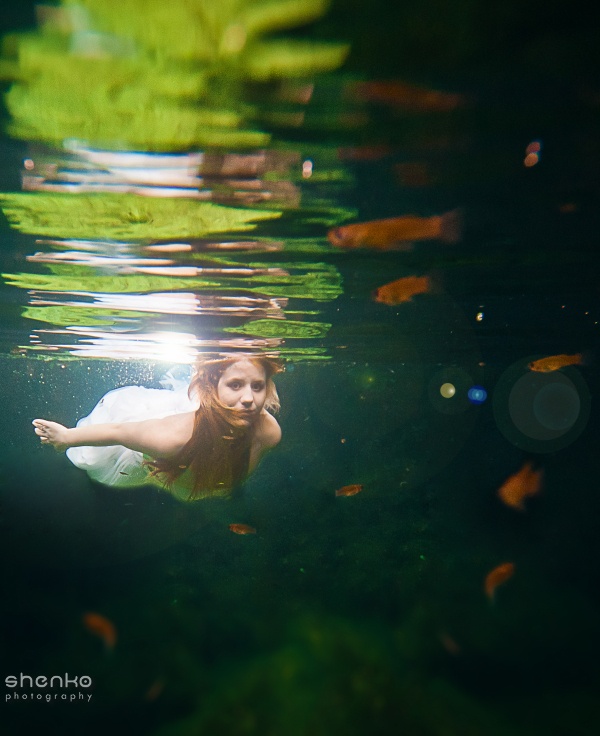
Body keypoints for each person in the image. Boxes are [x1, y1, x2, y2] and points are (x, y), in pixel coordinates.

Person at [32, 355, 283, 502]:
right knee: (93, 459)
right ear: (213, 388)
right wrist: (66, 437)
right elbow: (118, 431)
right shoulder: (173, 436)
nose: (249, 399)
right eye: (235, 385)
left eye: (257, 386)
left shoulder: (268, 432)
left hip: (197, 467)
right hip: (143, 461)